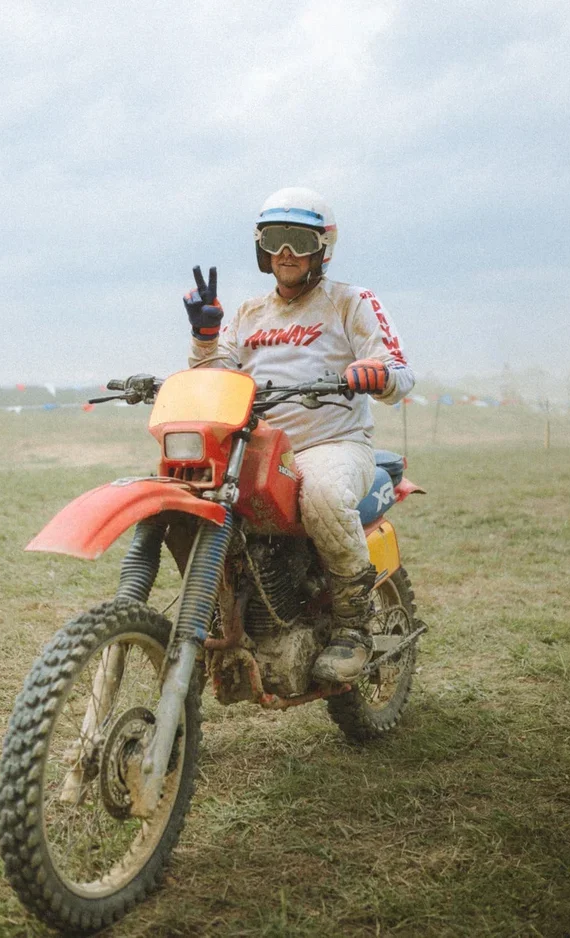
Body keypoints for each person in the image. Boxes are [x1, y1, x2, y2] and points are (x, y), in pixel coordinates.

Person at [183, 187, 415, 683]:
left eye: (297, 239)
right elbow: (216, 374)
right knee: (191, 495)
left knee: (324, 495)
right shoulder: (247, 313)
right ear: (261, 246)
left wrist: (376, 373)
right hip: (258, 447)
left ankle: (353, 627)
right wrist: (204, 337)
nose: (285, 252)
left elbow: (398, 370)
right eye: (275, 239)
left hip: (332, 444)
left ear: (321, 247)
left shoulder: (350, 302)